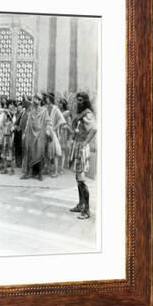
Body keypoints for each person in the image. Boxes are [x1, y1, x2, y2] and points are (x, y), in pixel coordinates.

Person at [68, 92, 97, 220]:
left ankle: (87, 210)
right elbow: (79, 130)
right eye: (77, 100)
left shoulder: (88, 114)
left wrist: (85, 143)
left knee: (81, 178)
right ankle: (80, 205)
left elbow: (94, 129)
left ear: (85, 101)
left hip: (82, 147)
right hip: (77, 145)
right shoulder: (81, 114)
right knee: (77, 176)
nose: (78, 102)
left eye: (80, 100)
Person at [21, 93, 51, 181]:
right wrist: (24, 133)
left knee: (40, 152)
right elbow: (28, 123)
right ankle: (29, 173)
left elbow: (48, 121)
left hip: (40, 134)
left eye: (38, 99)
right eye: (35, 99)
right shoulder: (32, 111)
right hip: (31, 134)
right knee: (30, 152)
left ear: (41, 101)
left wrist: (48, 130)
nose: (35, 101)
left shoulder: (44, 111)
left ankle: (40, 174)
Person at [44, 92, 68, 178]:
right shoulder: (45, 108)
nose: (46, 99)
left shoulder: (55, 109)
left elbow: (62, 120)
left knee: (54, 152)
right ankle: (47, 169)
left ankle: (56, 171)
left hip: (52, 133)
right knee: (46, 151)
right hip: (45, 131)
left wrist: (54, 127)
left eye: (47, 98)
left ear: (50, 99)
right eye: (46, 98)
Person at [1, 100, 17, 175]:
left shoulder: (14, 117)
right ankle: (5, 169)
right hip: (5, 137)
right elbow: (3, 125)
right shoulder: (4, 116)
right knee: (4, 153)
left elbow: (13, 128)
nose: (11, 106)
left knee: (11, 153)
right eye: (9, 104)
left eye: (12, 104)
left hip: (11, 137)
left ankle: (12, 170)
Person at [58, 98, 73, 174]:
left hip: (63, 134)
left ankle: (61, 168)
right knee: (57, 151)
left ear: (63, 105)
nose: (59, 104)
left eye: (60, 103)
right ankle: (57, 167)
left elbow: (70, 127)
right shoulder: (58, 112)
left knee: (62, 151)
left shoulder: (67, 114)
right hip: (58, 132)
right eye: (59, 103)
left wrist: (66, 126)